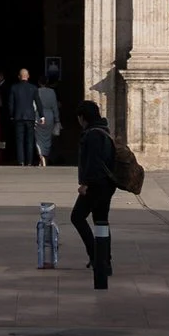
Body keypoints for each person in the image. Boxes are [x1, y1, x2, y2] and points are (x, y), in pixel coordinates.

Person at [71, 100, 116, 275]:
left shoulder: (93, 134)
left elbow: (93, 162)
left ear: (83, 118)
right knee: (101, 221)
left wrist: (85, 184)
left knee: (77, 217)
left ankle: (97, 256)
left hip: (96, 185)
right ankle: (104, 262)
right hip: (106, 184)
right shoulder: (103, 130)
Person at [9, 67, 40, 166]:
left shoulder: (14, 88)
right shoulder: (33, 88)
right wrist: (42, 116)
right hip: (30, 117)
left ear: (19, 76)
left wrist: (11, 115)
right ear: (28, 76)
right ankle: (29, 162)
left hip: (18, 117)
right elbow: (38, 102)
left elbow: (11, 104)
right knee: (30, 140)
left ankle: (21, 161)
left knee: (20, 140)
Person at [34, 76, 61, 167]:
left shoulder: (36, 91)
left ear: (39, 82)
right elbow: (54, 106)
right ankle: (45, 157)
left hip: (38, 115)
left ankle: (41, 157)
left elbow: (34, 105)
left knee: (38, 139)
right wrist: (57, 119)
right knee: (48, 139)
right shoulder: (52, 92)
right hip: (49, 116)